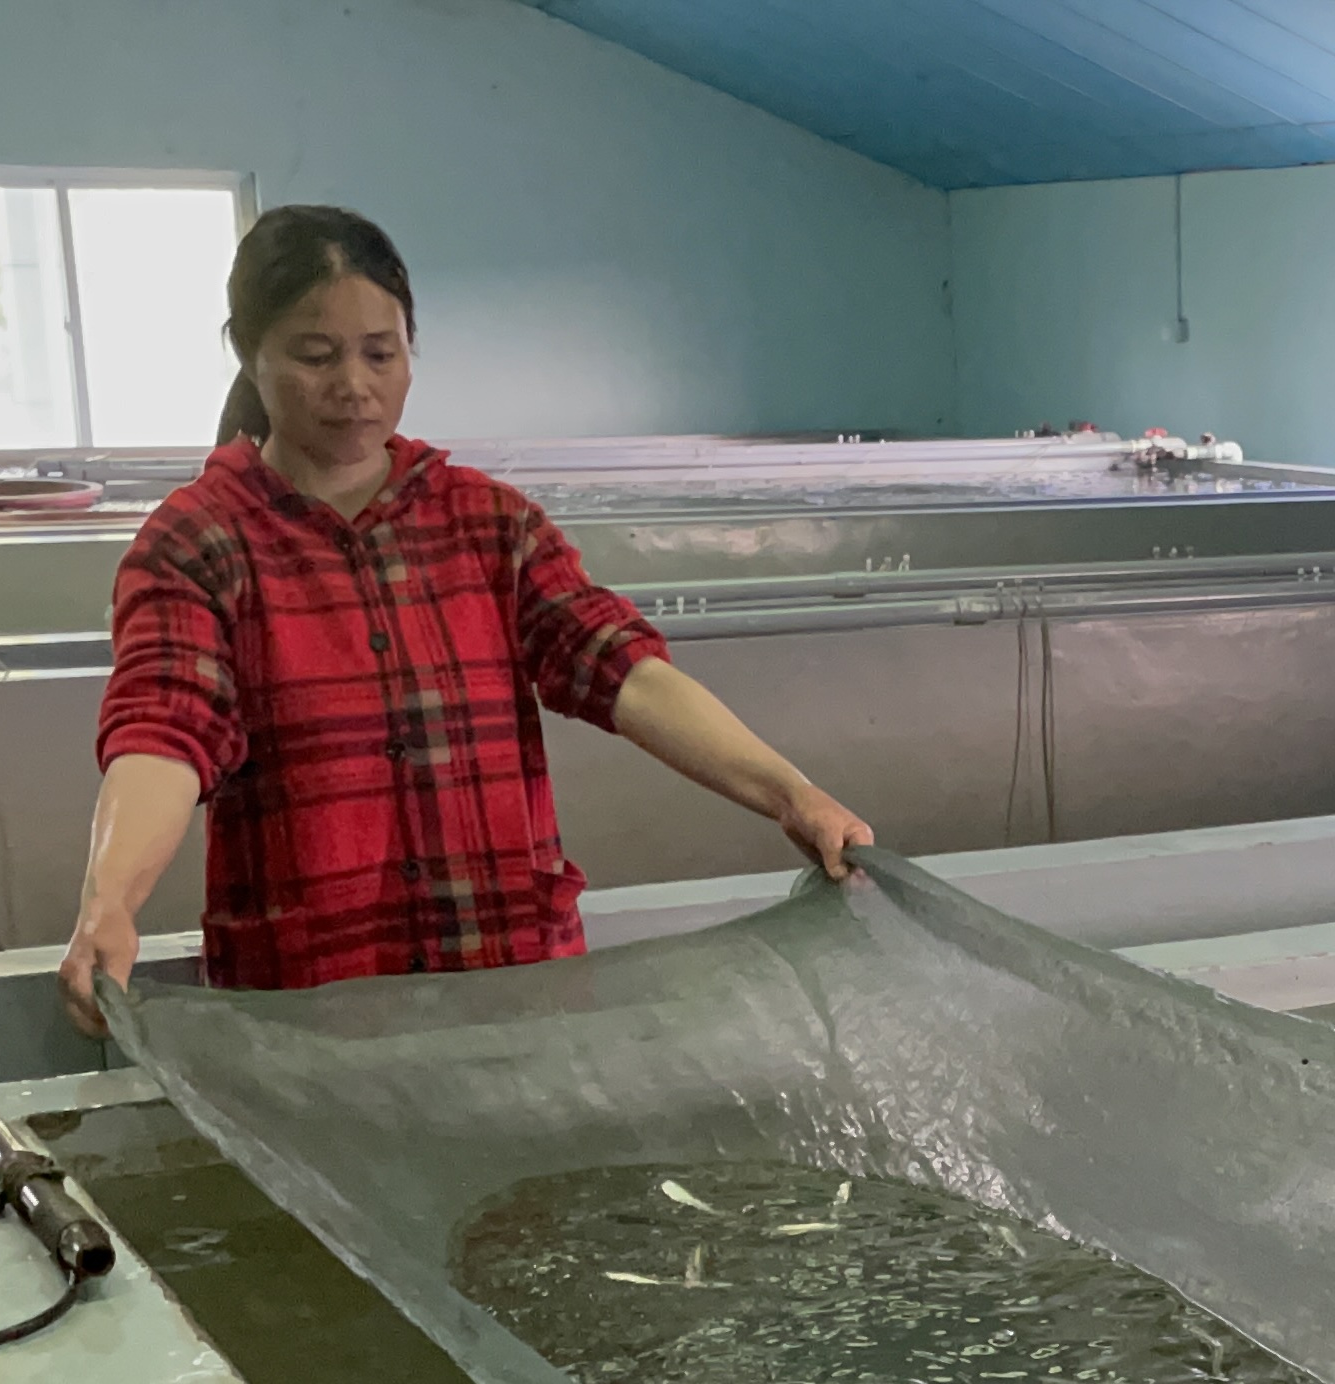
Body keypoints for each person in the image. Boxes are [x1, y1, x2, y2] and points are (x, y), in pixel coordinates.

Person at [56, 205, 869, 1034]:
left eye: (382, 353)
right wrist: (110, 900)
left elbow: (620, 669)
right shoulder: (199, 542)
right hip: (314, 1003)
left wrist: (789, 795)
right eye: (315, 355)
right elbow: (164, 732)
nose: (354, 387)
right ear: (246, 352)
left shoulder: (488, 522)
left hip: (509, 979)